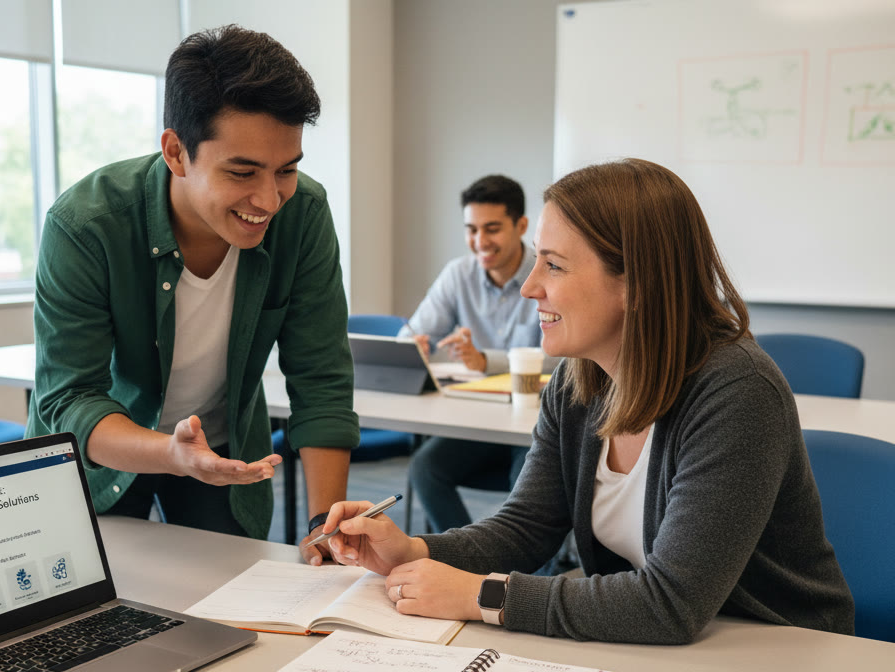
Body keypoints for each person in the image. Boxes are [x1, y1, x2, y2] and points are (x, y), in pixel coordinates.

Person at [305, 159, 855, 644]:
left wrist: (481, 595)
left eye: (555, 265)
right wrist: (414, 552)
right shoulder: (579, 380)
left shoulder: (737, 392)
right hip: (674, 646)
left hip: (779, 655)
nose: (529, 286)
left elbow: (671, 605)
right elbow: (526, 527)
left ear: (635, 283)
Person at [27, 25, 358, 547]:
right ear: (176, 152)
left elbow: (321, 379)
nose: (269, 199)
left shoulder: (304, 213)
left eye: (286, 170)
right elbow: (71, 399)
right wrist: (170, 454)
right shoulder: (87, 224)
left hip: (221, 453)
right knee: (90, 614)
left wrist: (325, 526)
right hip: (97, 457)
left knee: (230, 610)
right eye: (243, 172)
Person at [398, 175, 544, 532]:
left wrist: (486, 361)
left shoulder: (546, 274)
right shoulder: (458, 274)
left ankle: (531, 576)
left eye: (492, 228)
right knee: (424, 468)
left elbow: (568, 364)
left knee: (531, 483)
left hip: (535, 425)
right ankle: (470, 558)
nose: (480, 242)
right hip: (476, 418)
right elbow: (410, 336)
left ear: (521, 225)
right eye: (471, 229)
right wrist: (415, 347)